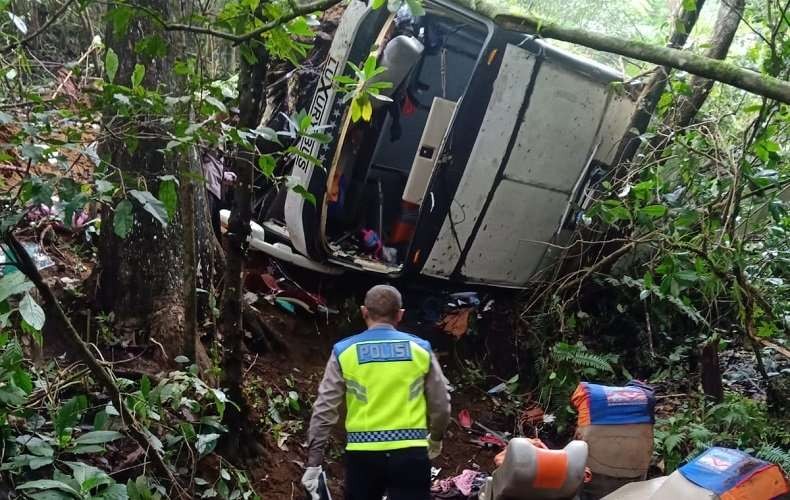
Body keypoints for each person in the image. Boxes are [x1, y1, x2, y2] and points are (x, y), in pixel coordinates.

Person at [302, 285, 451, 500]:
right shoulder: (420, 349)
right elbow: (441, 404)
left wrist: (314, 462)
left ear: (364, 312)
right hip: (411, 454)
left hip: (363, 456)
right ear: (400, 315)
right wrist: (435, 438)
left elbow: (324, 409)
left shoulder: (344, 352)